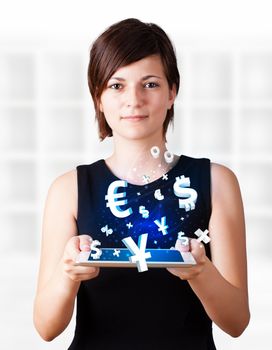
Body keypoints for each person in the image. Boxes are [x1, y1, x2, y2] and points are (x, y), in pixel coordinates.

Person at [33, 18, 250, 349]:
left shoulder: (216, 182)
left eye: (150, 84)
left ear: (172, 92)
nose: (133, 99)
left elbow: (236, 322)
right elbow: (46, 328)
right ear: (98, 97)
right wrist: (68, 274)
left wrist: (200, 272)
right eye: (116, 86)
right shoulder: (69, 189)